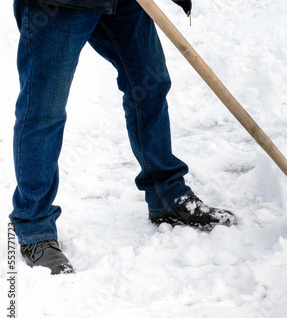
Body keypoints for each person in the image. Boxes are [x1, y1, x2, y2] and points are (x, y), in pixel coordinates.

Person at [10, 0, 235, 275]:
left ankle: (167, 196)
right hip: (59, 5)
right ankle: (34, 227)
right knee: (44, 109)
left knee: (150, 85)